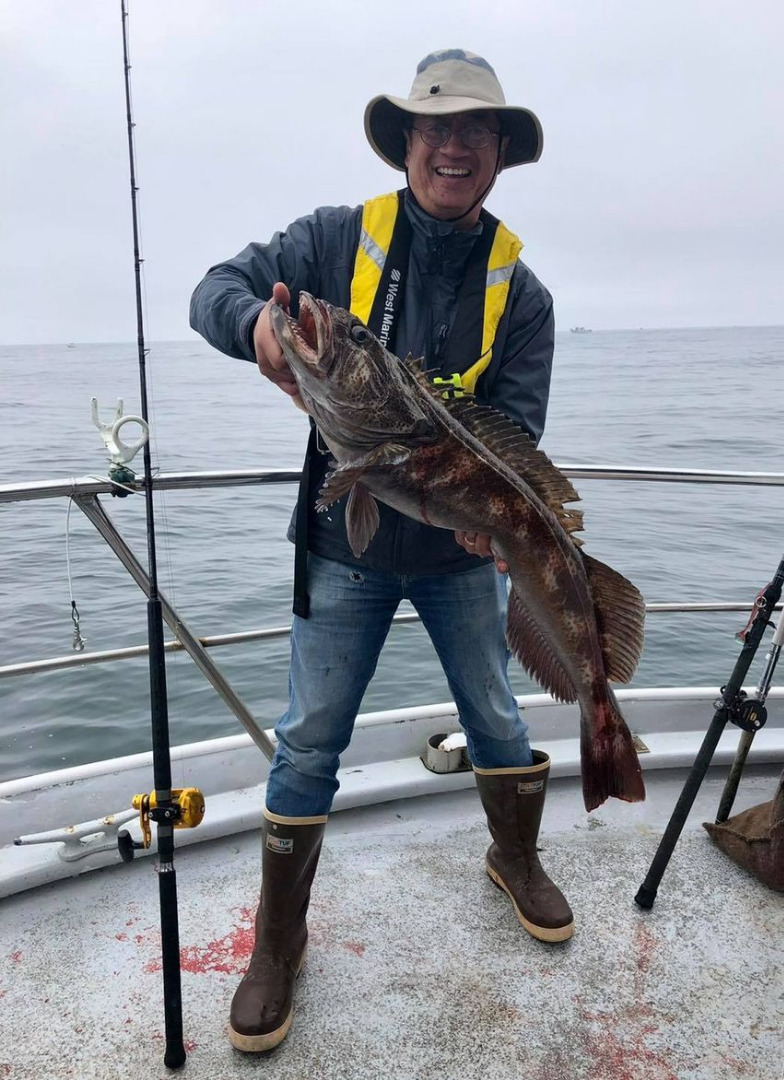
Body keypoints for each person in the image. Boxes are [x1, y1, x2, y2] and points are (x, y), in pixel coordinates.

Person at [190, 48, 572, 1053]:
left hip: (457, 564)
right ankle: (279, 939)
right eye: (434, 127)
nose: (452, 145)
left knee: (496, 711)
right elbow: (216, 288)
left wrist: (496, 523)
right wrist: (261, 332)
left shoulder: (520, 293)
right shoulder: (329, 242)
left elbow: (516, 432)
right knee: (310, 735)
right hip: (343, 544)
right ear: (404, 142)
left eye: (474, 131)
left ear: (498, 154)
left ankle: (514, 857)